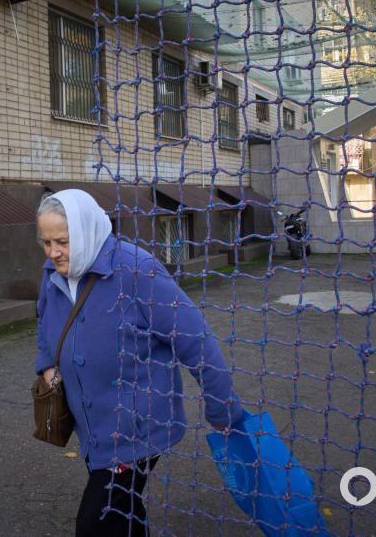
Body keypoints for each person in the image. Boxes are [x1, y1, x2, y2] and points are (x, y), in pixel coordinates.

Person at [34, 190, 241, 537]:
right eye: (46, 242)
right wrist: (47, 364)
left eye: (63, 241)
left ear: (85, 232)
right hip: (90, 425)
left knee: (96, 523)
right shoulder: (52, 270)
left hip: (134, 427)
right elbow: (43, 319)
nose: (53, 252)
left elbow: (196, 340)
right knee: (123, 512)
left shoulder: (136, 270)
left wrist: (223, 411)